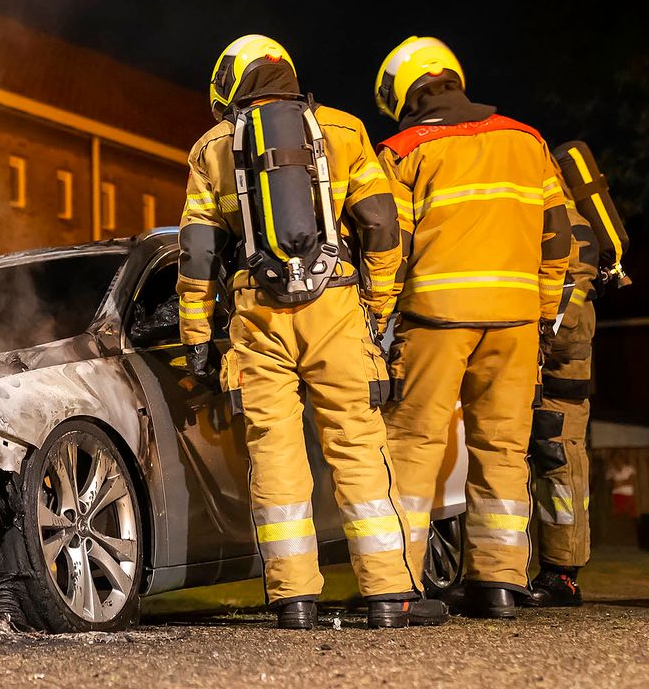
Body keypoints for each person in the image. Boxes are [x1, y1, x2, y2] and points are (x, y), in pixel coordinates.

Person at [179, 34, 443, 629]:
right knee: (357, 446)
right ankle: (389, 595)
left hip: (256, 318)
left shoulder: (211, 148)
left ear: (230, 80)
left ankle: (293, 599)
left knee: (274, 454)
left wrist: (198, 337)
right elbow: (379, 223)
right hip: (338, 306)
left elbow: (196, 255)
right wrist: (377, 306)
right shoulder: (346, 131)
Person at [373, 36, 571, 618]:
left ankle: (401, 585)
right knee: (504, 450)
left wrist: (379, 311)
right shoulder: (527, 139)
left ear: (405, 91)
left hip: (435, 319)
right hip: (514, 322)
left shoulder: (405, 149)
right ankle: (500, 585)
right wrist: (541, 309)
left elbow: (392, 244)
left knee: (411, 448)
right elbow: (556, 235)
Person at [526, 142, 631, 607]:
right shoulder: (575, 209)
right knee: (561, 450)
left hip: (554, 338)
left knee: (546, 447)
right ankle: (561, 571)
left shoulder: (543, 205)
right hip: (572, 338)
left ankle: (553, 573)